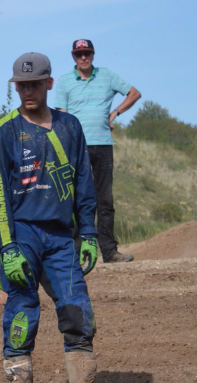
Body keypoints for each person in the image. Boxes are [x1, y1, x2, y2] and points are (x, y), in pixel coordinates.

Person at [0, 52, 105, 383]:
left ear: (49, 83)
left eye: (35, 84)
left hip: (60, 236)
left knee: (77, 310)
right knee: (22, 312)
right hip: (22, 234)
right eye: (22, 85)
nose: (28, 92)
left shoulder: (70, 127)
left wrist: (89, 232)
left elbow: (84, 181)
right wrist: (7, 248)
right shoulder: (4, 130)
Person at [55, 39, 141, 263]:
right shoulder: (64, 81)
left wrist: (115, 113)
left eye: (87, 53)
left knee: (105, 199)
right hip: (76, 146)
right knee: (77, 198)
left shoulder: (106, 75)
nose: (83, 57)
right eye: (79, 54)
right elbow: (61, 116)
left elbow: (134, 93)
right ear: (73, 57)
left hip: (103, 144)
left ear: (93, 54)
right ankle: (75, 253)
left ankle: (109, 252)